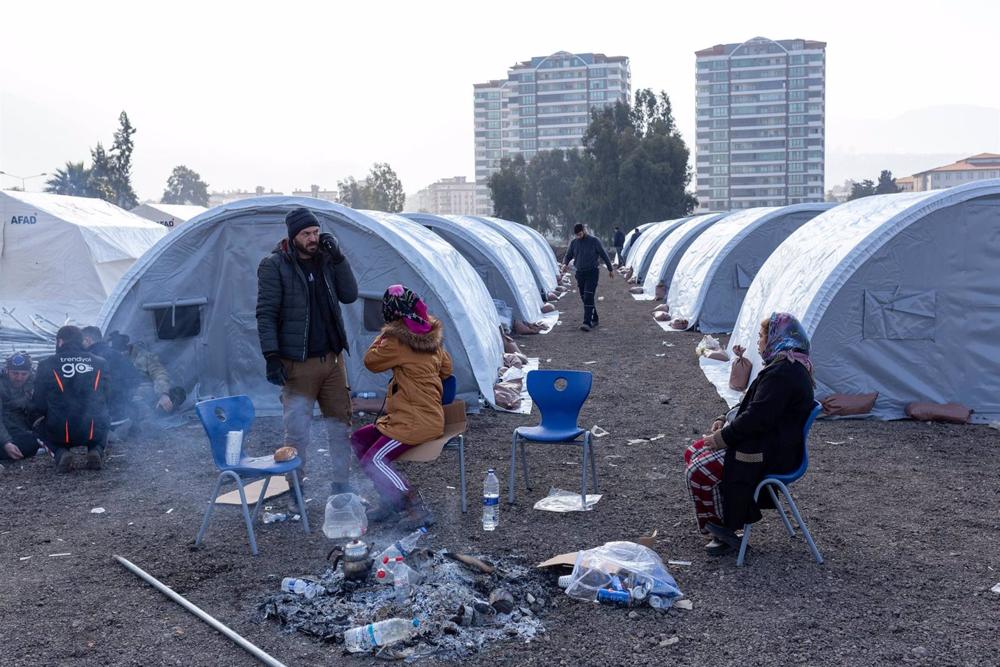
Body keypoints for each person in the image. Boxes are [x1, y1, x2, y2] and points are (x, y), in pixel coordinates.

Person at [684, 313, 815, 556]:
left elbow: (756, 418)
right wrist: (724, 418)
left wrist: (722, 438)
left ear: (777, 338)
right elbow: (752, 405)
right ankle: (724, 520)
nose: (758, 341)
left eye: (762, 335)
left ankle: (724, 527)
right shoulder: (783, 365)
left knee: (698, 470)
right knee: (693, 452)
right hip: (770, 441)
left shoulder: (783, 374)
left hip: (771, 452)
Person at [256, 207, 358, 509]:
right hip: (297, 363)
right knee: (297, 431)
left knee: (341, 425)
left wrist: (339, 258)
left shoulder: (327, 261)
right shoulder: (274, 265)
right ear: (293, 236)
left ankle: (341, 487)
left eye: (315, 232)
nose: (313, 239)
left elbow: (349, 295)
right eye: (306, 234)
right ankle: (295, 490)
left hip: (333, 360)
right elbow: (266, 313)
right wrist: (271, 355)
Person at [351, 285, 452, 530]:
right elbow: (446, 369)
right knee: (358, 439)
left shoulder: (396, 340)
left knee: (375, 459)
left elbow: (371, 361)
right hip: (416, 416)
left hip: (415, 421)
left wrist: (386, 333)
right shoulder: (431, 340)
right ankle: (390, 499)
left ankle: (414, 505)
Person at [32, 326, 112, 472]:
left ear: (60, 341)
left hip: (61, 431)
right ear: (82, 341)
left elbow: (38, 402)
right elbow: (107, 396)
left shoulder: (46, 364)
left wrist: (47, 414)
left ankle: (60, 453)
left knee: (37, 427)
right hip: (93, 429)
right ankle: (96, 450)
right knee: (104, 417)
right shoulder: (100, 362)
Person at [561, 223, 614, 332]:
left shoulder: (594, 241)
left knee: (588, 296)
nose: (578, 237)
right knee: (583, 296)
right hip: (580, 273)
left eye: (580, 234)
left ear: (584, 231)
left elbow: (603, 254)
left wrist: (610, 269)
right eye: (577, 235)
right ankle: (594, 317)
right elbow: (569, 255)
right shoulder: (574, 243)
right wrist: (565, 264)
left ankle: (587, 322)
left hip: (592, 272)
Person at [81, 326, 138, 422]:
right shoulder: (118, 355)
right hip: (122, 415)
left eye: (81, 341)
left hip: (97, 419)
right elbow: (135, 379)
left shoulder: (86, 359)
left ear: (88, 340)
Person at [0, 352, 42, 461]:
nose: (19, 378)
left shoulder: (34, 381)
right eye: (15, 373)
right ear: (7, 370)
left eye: (24, 374)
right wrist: (6, 443)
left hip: (20, 425)